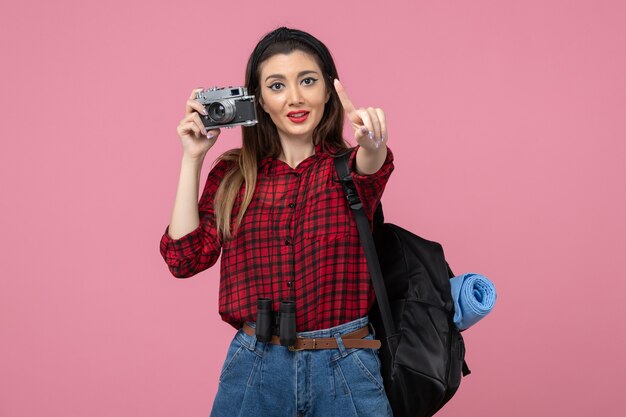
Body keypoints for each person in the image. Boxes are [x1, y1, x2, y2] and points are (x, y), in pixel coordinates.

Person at [159, 26, 395, 417]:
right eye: (277, 85)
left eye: (307, 81)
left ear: (328, 90)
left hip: (346, 364)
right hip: (256, 367)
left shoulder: (347, 170)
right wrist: (192, 158)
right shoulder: (234, 175)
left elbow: (373, 163)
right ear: (260, 101)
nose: (295, 98)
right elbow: (184, 260)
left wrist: (373, 143)